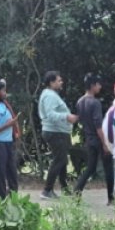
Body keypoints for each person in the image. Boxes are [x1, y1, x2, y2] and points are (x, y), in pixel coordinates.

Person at [73, 73, 113, 204]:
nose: (100, 87)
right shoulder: (95, 103)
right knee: (108, 168)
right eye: (98, 84)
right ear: (92, 86)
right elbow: (98, 126)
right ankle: (111, 197)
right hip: (98, 139)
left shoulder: (79, 102)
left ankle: (77, 191)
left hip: (88, 139)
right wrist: (105, 143)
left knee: (90, 167)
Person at [38, 70, 77, 199]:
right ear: (51, 82)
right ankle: (47, 190)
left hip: (59, 131)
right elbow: (51, 114)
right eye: (59, 80)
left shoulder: (51, 94)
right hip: (55, 132)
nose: (62, 82)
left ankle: (64, 188)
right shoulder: (49, 96)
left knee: (62, 160)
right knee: (59, 160)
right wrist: (67, 116)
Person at [0, 79, 20, 198]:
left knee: (12, 170)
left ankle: (13, 195)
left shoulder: (4, 104)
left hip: (8, 142)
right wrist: (8, 125)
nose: (5, 92)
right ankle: (1, 197)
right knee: (0, 172)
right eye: (3, 90)